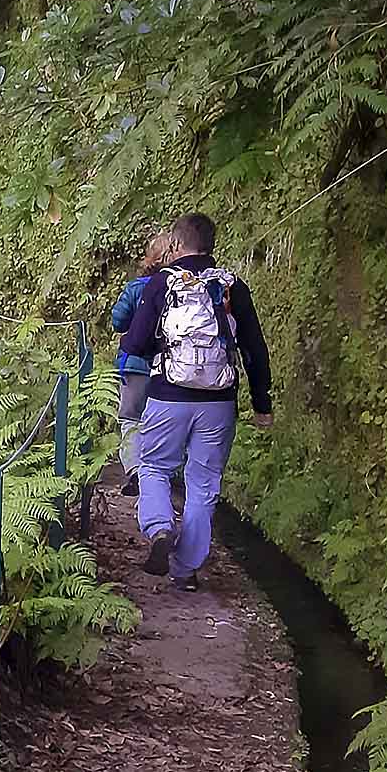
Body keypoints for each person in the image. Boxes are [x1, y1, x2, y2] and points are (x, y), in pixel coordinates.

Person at [118, 213, 273, 591]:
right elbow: (254, 347)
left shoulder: (160, 284)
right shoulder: (231, 287)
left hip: (168, 396)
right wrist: (261, 402)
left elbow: (134, 343)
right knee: (203, 485)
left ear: (176, 243)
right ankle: (185, 569)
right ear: (212, 244)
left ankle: (158, 528)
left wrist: (160, 348)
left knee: (154, 466)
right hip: (219, 402)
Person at [111, 231, 176, 497]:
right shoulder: (180, 287)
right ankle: (162, 475)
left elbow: (118, 321)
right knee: (162, 420)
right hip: (170, 366)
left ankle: (136, 470)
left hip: (135, 365)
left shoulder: (137, 287)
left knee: (130, 418)